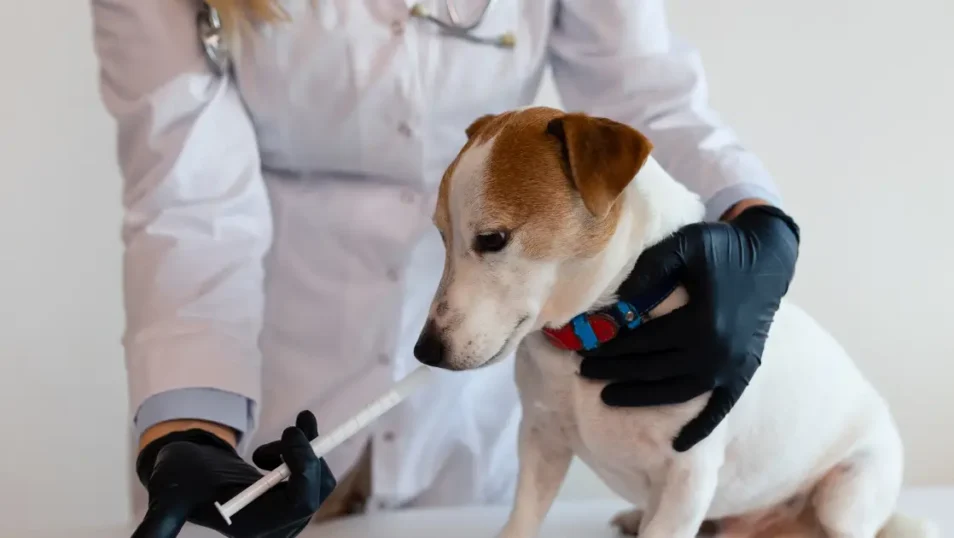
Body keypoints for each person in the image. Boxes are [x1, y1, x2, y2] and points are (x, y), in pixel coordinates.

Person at [89, 1, 800, 536]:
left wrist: (755, 220)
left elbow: (646, 91)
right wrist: (190, 430)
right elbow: (187, 193)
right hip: (271, 384)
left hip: (465, 412)